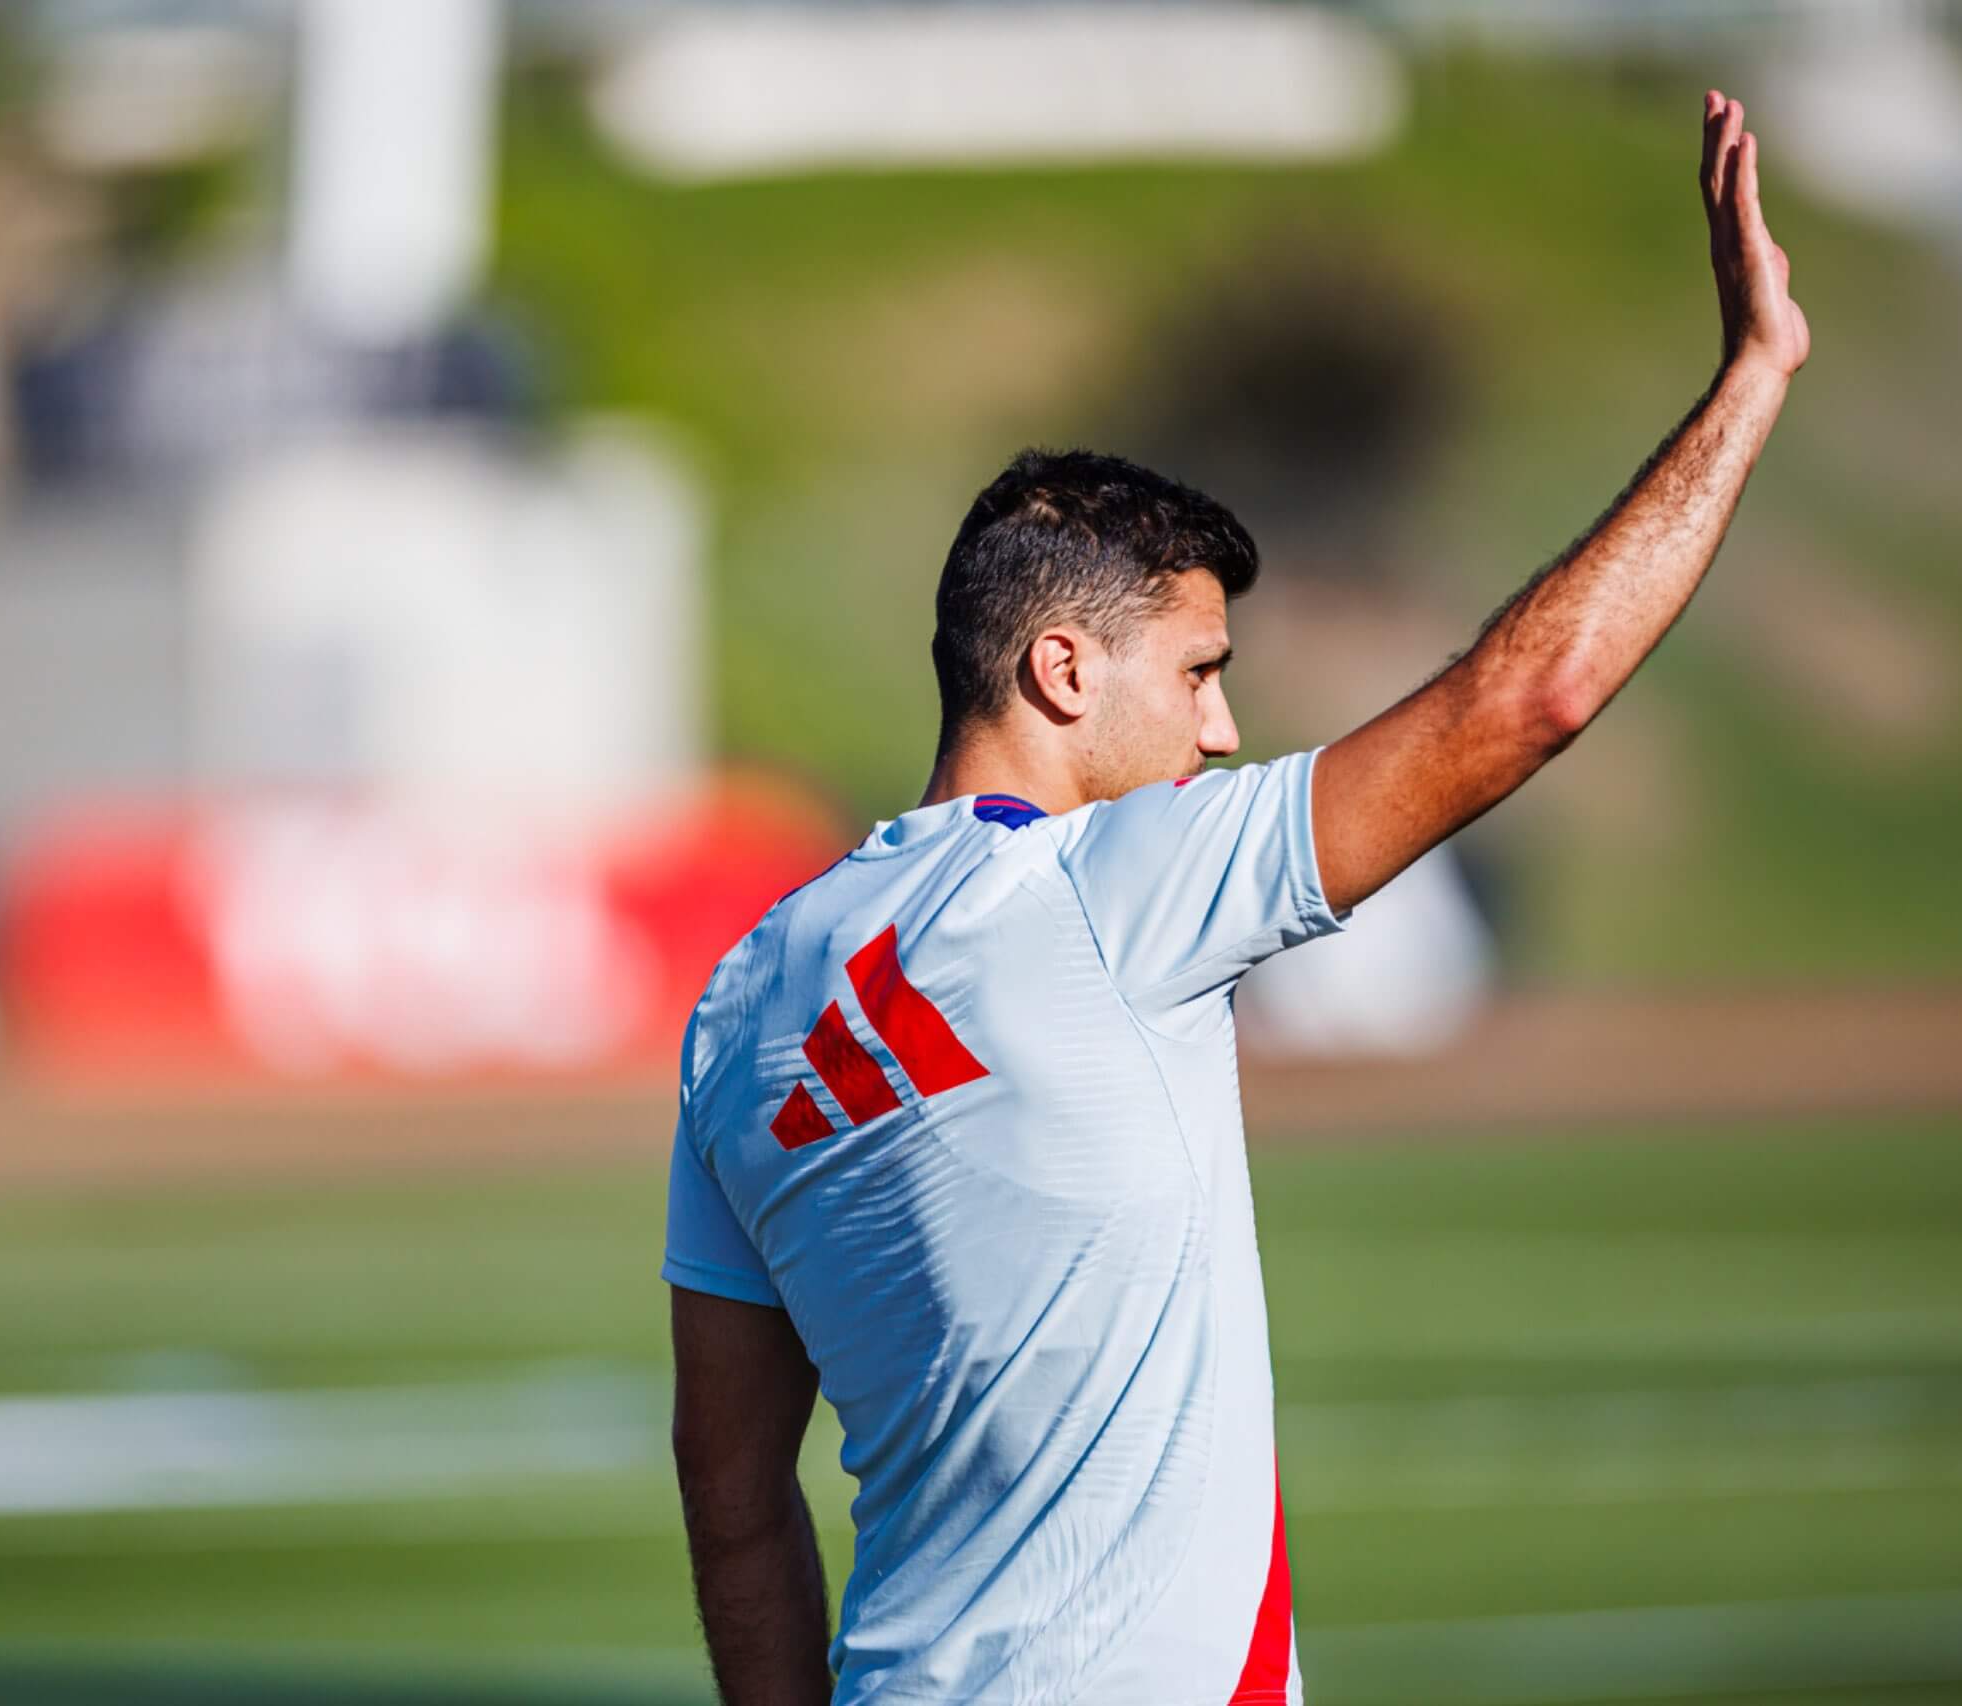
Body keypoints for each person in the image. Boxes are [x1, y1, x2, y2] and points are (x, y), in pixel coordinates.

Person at [662, 94, 1807, 1706]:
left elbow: (730, 1495)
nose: (1222, 729)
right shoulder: (1112, 889)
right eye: (1198, 674)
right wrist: (1751, 382)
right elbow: (1525, 698)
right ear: (1061, 669)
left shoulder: (748, 993)